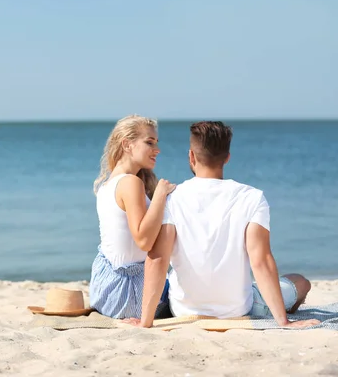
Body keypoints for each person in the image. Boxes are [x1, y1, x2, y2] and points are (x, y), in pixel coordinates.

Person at [134, 121, 320, 328]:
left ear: (191, 156)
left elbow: (158, 259)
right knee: (301, 282)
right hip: (238, 310)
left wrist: (146, 322)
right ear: (227, 158)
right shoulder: (252, 198)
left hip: (183, 309)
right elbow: (261, 260)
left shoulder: (173, 198)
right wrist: (283, 322)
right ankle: (280, 310)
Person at [89, 115, 175, 319]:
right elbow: (143, 240)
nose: (157, 149)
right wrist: (160, 196)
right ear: (127, 145)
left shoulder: (106, 186)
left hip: (106, 291)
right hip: (129, 296)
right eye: (149, 142)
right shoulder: (130, 183)